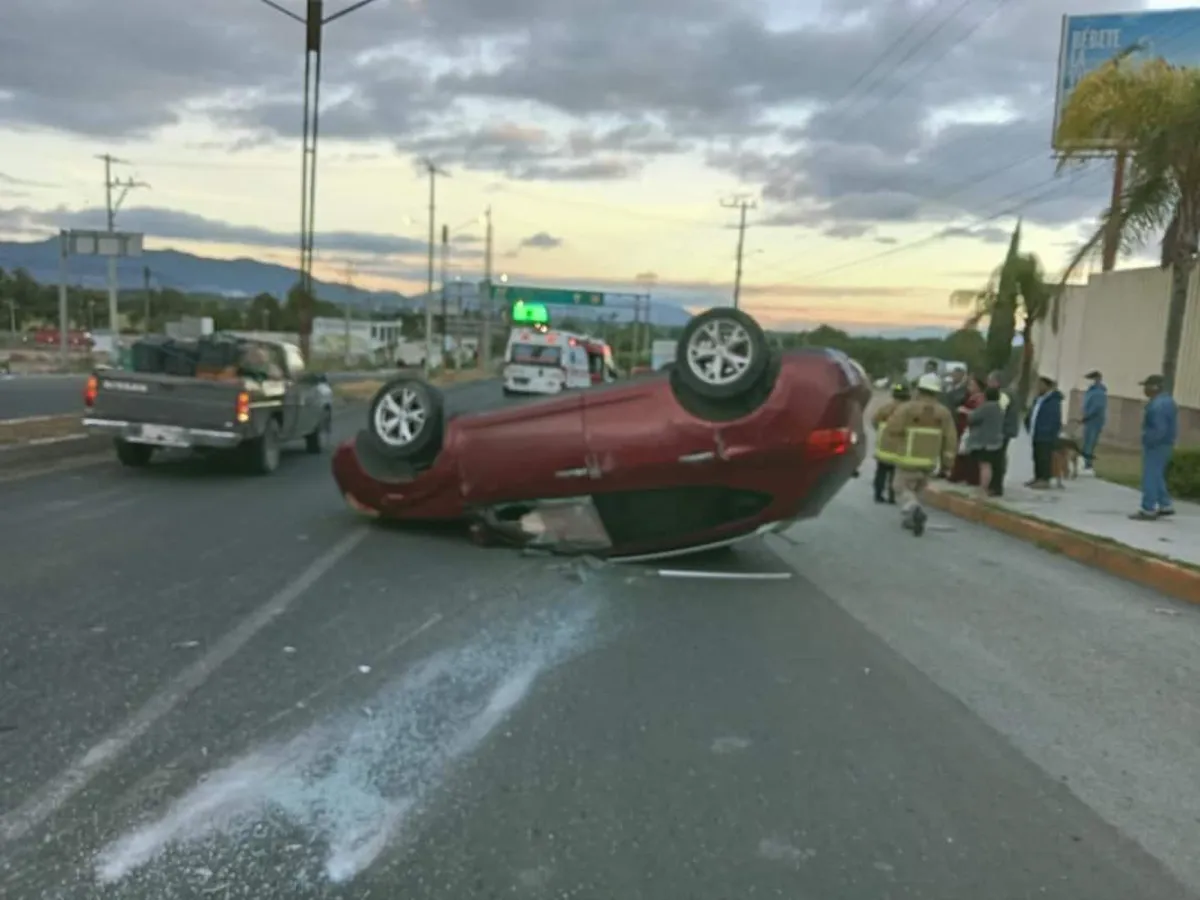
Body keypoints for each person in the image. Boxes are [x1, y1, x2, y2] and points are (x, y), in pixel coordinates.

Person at [877, 372, 958, 537]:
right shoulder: (944, 413)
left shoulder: (907, 408)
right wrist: (947, 463)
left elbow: (892, 428)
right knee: (919, 488)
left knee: (900, 487)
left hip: (907, 458)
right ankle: (911, 519)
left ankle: (913, 509)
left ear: (919, 389)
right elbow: (950, 439)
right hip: (929, 461)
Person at [1131, 374, 1178, 520]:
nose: (1144, 390)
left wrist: (1148, 440)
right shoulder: (1168, 401)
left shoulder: (1158, 405)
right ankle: (1165, 504)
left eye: (1146, 386)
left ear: (1155, 387)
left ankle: (1148, 508)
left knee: (1150, 476)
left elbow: (1159, 428)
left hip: (1156, 445)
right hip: (1165, 444)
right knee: (1156, 475)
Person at [870, 382, 911, 503]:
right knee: (895, 472)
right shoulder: (909, 410)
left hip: (884, 445)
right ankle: (892, 496)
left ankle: (878, 494)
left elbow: (874, 421)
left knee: (881, 471)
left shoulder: (886, 408)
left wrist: (882, 431)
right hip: (900, 446)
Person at [963, 386, 1005, 499]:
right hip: (995, 441)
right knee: (991, 466)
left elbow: (972, 418)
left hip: (984, 442)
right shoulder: (999, 408)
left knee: (984, 466)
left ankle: (983, 489)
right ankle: (990, 488)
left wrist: (967, 412)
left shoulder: (986, 407)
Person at [1024, 375, 1063, 489]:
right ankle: (1037, 477)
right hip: (1035, 433)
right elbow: (1032, 413)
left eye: (1040, 385)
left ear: (1047, 386)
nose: (1038, 387)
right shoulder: (1038, 399)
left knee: (1044, 457)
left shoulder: (1053, 401)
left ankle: (1045, 479)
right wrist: (1027, 423)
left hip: (1045, 435)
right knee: (1036, 457)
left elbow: (1055, 419)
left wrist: (1049, 432)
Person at [986, 370, 1019, 497]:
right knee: (1000, 457)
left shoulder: (1003, 395)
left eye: (990, 381)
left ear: (997, 382)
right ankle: (996, 486)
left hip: (1002, 431)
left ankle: (996, 487)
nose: (988, 384)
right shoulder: (1010, 392)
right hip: (1007, 430)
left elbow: (999, 411)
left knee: (997, 459)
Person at [949, 374, 985, 485]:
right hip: (963, 427)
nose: (969, 387)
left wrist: (964, 410)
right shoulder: (968, 396)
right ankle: (959, 475)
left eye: (972, 385)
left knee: (968, 453)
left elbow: (978, 413)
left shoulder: (980, 398)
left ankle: (969, 477)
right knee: (962, 452)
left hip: (970, 428)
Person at [1080, 369, 1108, 472]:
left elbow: (1097, 407)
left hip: (1094, 421)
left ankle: (1088, 463)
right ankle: (1086, 462)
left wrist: (1087, 416)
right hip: (1089, 420)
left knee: (1090, 442)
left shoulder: (1098, 392)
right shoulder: (1091, 391)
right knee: (1087, 441)